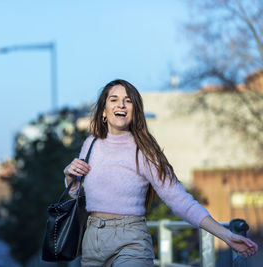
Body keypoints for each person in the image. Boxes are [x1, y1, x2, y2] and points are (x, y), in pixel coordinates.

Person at [64, 79, 258, 266]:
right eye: (114, 100)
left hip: (131, 240)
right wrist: (70, 177)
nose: (121, 105)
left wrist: (225, 235)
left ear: (135, 111)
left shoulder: (144, 151)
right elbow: (78, 193)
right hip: (93, 239)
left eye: (128, 101)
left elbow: (180, 200)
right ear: (104, 112)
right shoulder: (91, 144)